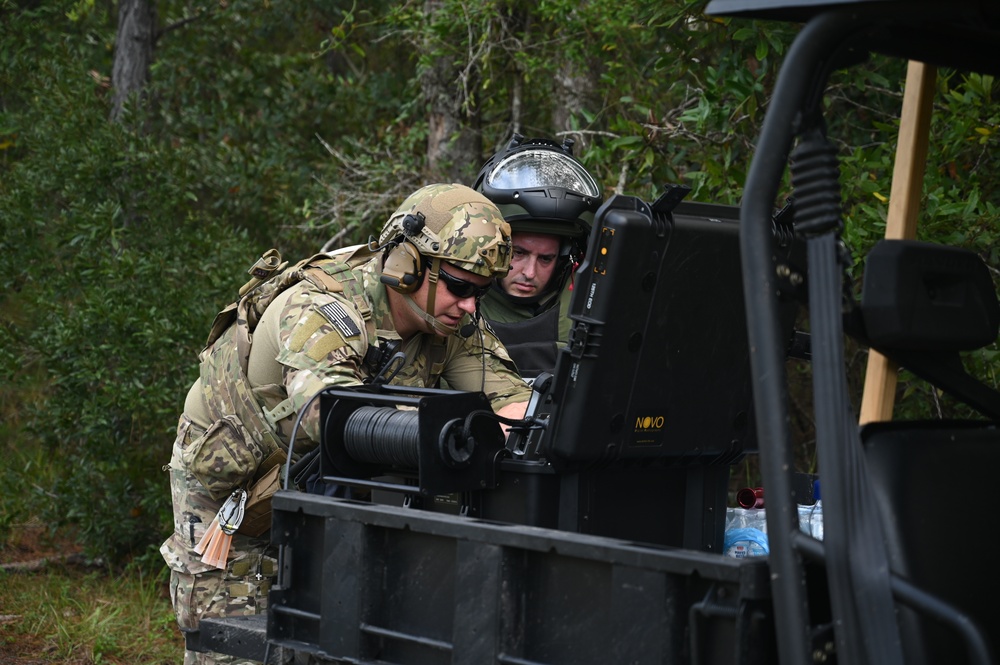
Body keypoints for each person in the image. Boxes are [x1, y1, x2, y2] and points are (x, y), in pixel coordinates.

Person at [160, 183, 532, 664]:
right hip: (237, 489)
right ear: (407, 265)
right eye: (460, 286)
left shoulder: (452, 322)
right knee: (233, 647)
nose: (469, 306)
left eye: (481, 293)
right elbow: (330, 412)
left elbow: (516, 407)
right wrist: (441, 435)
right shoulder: (324, 305)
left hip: (329, 490)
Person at [473, 135, 604, 379]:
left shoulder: (588, 306)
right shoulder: (456, 295)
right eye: (519, 253)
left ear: (565, 258)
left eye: (546, 259)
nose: (529, 273)